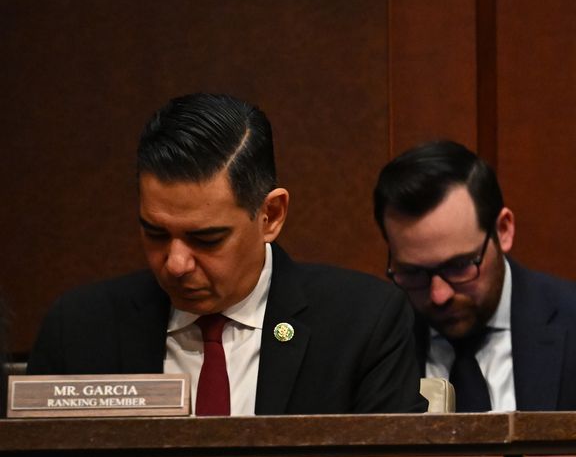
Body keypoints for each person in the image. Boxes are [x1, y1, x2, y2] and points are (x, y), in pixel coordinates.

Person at [28, 93, 425, 414]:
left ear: (270, 215)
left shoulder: (363, 323)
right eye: (155, 233)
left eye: (206, 239)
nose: (176, 264)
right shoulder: (79, 330)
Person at [375, 141, 576, 411]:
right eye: (413, 273)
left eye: (460, 266)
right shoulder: (372, 345)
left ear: (503, 231)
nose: (439, 295)